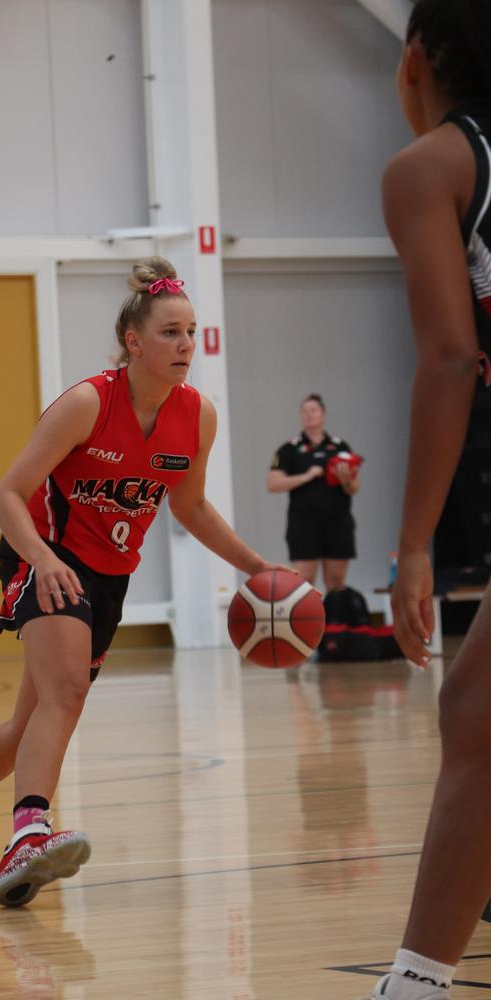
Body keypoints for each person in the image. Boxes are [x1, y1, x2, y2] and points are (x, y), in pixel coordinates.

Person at [0, 256, 282, 908]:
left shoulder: (195, 416)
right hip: (46, 554)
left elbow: (190, 507)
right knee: (64, 693)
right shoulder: (89, 401)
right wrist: (40, 558)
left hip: (110, 578)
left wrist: (258, 567)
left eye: (193, 331)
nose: (186, 345)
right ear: (134, 341)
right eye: (172, 332)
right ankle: (28, 833)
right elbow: (7, 496)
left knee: (27, 729)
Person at [364, 3, 491, 999]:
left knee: (475, 709)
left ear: (413, 61)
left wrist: (412, 544)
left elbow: (448, 356)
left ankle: (412, 985)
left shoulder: (432, 167)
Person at [267, 393, 360, 590]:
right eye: (304, 411)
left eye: (313, 410)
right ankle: (307, 620)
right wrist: (306, 476)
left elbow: (354, 487)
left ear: (323, 414)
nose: (309, 415)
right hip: (304, 523)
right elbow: (273, 484)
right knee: (303, 581)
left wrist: (346, 480)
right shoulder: (290, 448)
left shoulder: (339, 446)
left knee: (336, 581)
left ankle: (335, 621)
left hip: (337, 521)